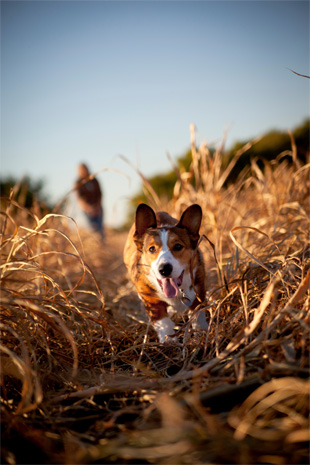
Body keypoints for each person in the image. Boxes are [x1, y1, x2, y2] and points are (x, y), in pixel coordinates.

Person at [75, 163, 104, 238]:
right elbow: (79, 198)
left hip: (98, 208)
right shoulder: (78, 182)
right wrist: (89, 209)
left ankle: (103, 246)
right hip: (87, 210)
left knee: (101, 230)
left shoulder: (94, 180)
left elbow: (100, 194)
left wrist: (97, 207)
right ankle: (96, 247)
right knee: (92, 230)